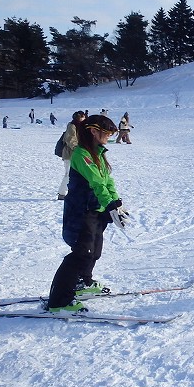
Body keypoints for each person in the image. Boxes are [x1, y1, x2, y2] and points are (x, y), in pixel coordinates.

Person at [46, 115, 128, 312]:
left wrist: (116, 204)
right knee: (81, 253)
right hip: (81, 211)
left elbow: (107, 181)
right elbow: (95, 182)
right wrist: (109, 204)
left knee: (94, 251)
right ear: (93, 131)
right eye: (107, 133)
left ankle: (82, 283)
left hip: (96, 210)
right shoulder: (81, 154)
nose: (109, 137)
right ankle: (59, 301)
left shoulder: (98, 153)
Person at [58, 111, 86, 200]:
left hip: (78, 154)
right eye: (83, 117)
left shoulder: (81, 126)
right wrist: (77, 149)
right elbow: (70, 139)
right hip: (70, 154)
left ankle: (77, 193)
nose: (84, 118)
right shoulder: (72, 126)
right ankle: (61, 193)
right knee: (68, 174)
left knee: (79, 175)